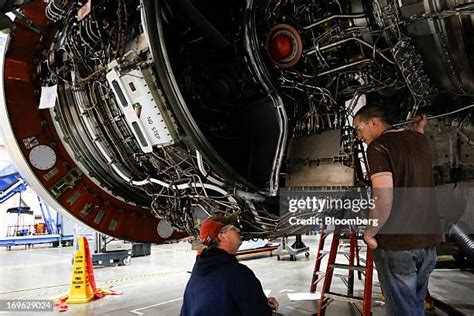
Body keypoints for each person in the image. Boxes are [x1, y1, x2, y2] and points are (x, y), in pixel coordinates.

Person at [353, 105, 443, 316]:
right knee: (414, 308)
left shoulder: (377, 148)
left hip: (398, 245)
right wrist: (419, 129)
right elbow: (411, 164)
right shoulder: (419, 140)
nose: (358, 136)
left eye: (359, 128)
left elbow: (383, 198)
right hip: (427, 244)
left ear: (374, 122)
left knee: (403, 311)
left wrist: (370, 232)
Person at [181, 214, 279, 316]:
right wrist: (263, 306)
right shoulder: (238, 273)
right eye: (233, 228)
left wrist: (258, 301)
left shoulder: (199, 270)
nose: (238, 230)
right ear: (222, 236)